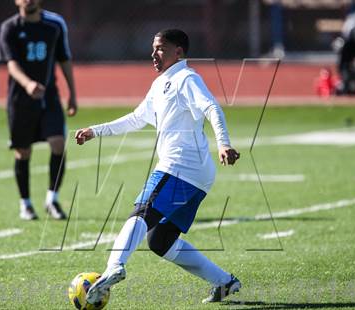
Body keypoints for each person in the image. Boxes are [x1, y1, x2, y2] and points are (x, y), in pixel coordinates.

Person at [75, 29, 241, 305]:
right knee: (160, 240)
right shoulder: (161, 83)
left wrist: (223, 143)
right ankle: (224, 281)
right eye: (153, 48)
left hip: (180, 166)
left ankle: (114, 266)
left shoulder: (186, 77)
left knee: (142, 211)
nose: (154, 54)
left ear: (179, 52)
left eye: (161, 48)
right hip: (198, 175)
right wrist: (96, 131)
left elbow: (212, 107)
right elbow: (136, 119)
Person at [0, 0, 77, 220]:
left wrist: (72, 93)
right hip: (20, 99)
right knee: (23, 151)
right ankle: (26, 204)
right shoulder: (10, 27)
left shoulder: (54, 24)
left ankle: (52, 199)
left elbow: (64, 58)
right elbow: (11, 64)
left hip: (49, 96)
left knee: (58, 143)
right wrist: (28, 84)